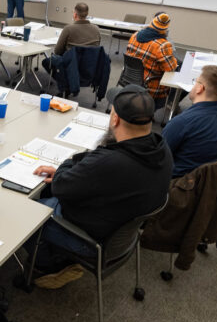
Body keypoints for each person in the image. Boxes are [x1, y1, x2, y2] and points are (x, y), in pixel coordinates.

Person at [29, 85, 173, 288]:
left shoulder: (110, 163)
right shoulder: (161, 148)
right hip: (121, 229)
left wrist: (68, 165)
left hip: (92, 241)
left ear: (115, 119)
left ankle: (52, 266)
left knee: (28, 215)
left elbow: (60, 187)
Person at [162, 64, 217, 177]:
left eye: (196, 81)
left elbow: (159, 158)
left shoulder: (181, 122)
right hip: (213, 182)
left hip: (180, 185)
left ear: (200, 88)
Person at [125, 11, 178, 108]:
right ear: (165, 29)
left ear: (152, 23)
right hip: (150, 85)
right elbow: (170, 69)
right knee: (177, 73)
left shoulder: (135, 35)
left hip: (129, 78)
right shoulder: (163, 45)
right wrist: (172, 58)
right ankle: (170, 103)